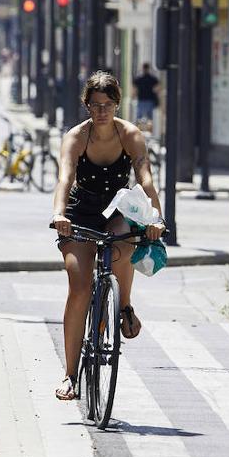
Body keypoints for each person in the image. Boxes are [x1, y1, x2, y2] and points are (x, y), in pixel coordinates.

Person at [50, 71, 166, 400]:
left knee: (125, 243)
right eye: (95, 105)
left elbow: (145, 180)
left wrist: (156, 218)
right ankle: (70, 374)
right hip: (80, 213)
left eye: (108, 104)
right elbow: (65, 177)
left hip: (117, 210)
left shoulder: (130, 134)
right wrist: (59, 213)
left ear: (117, 105)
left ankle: (124, 304)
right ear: (86, 105)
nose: (102, 111)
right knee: (79, 285)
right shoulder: (76, 136)